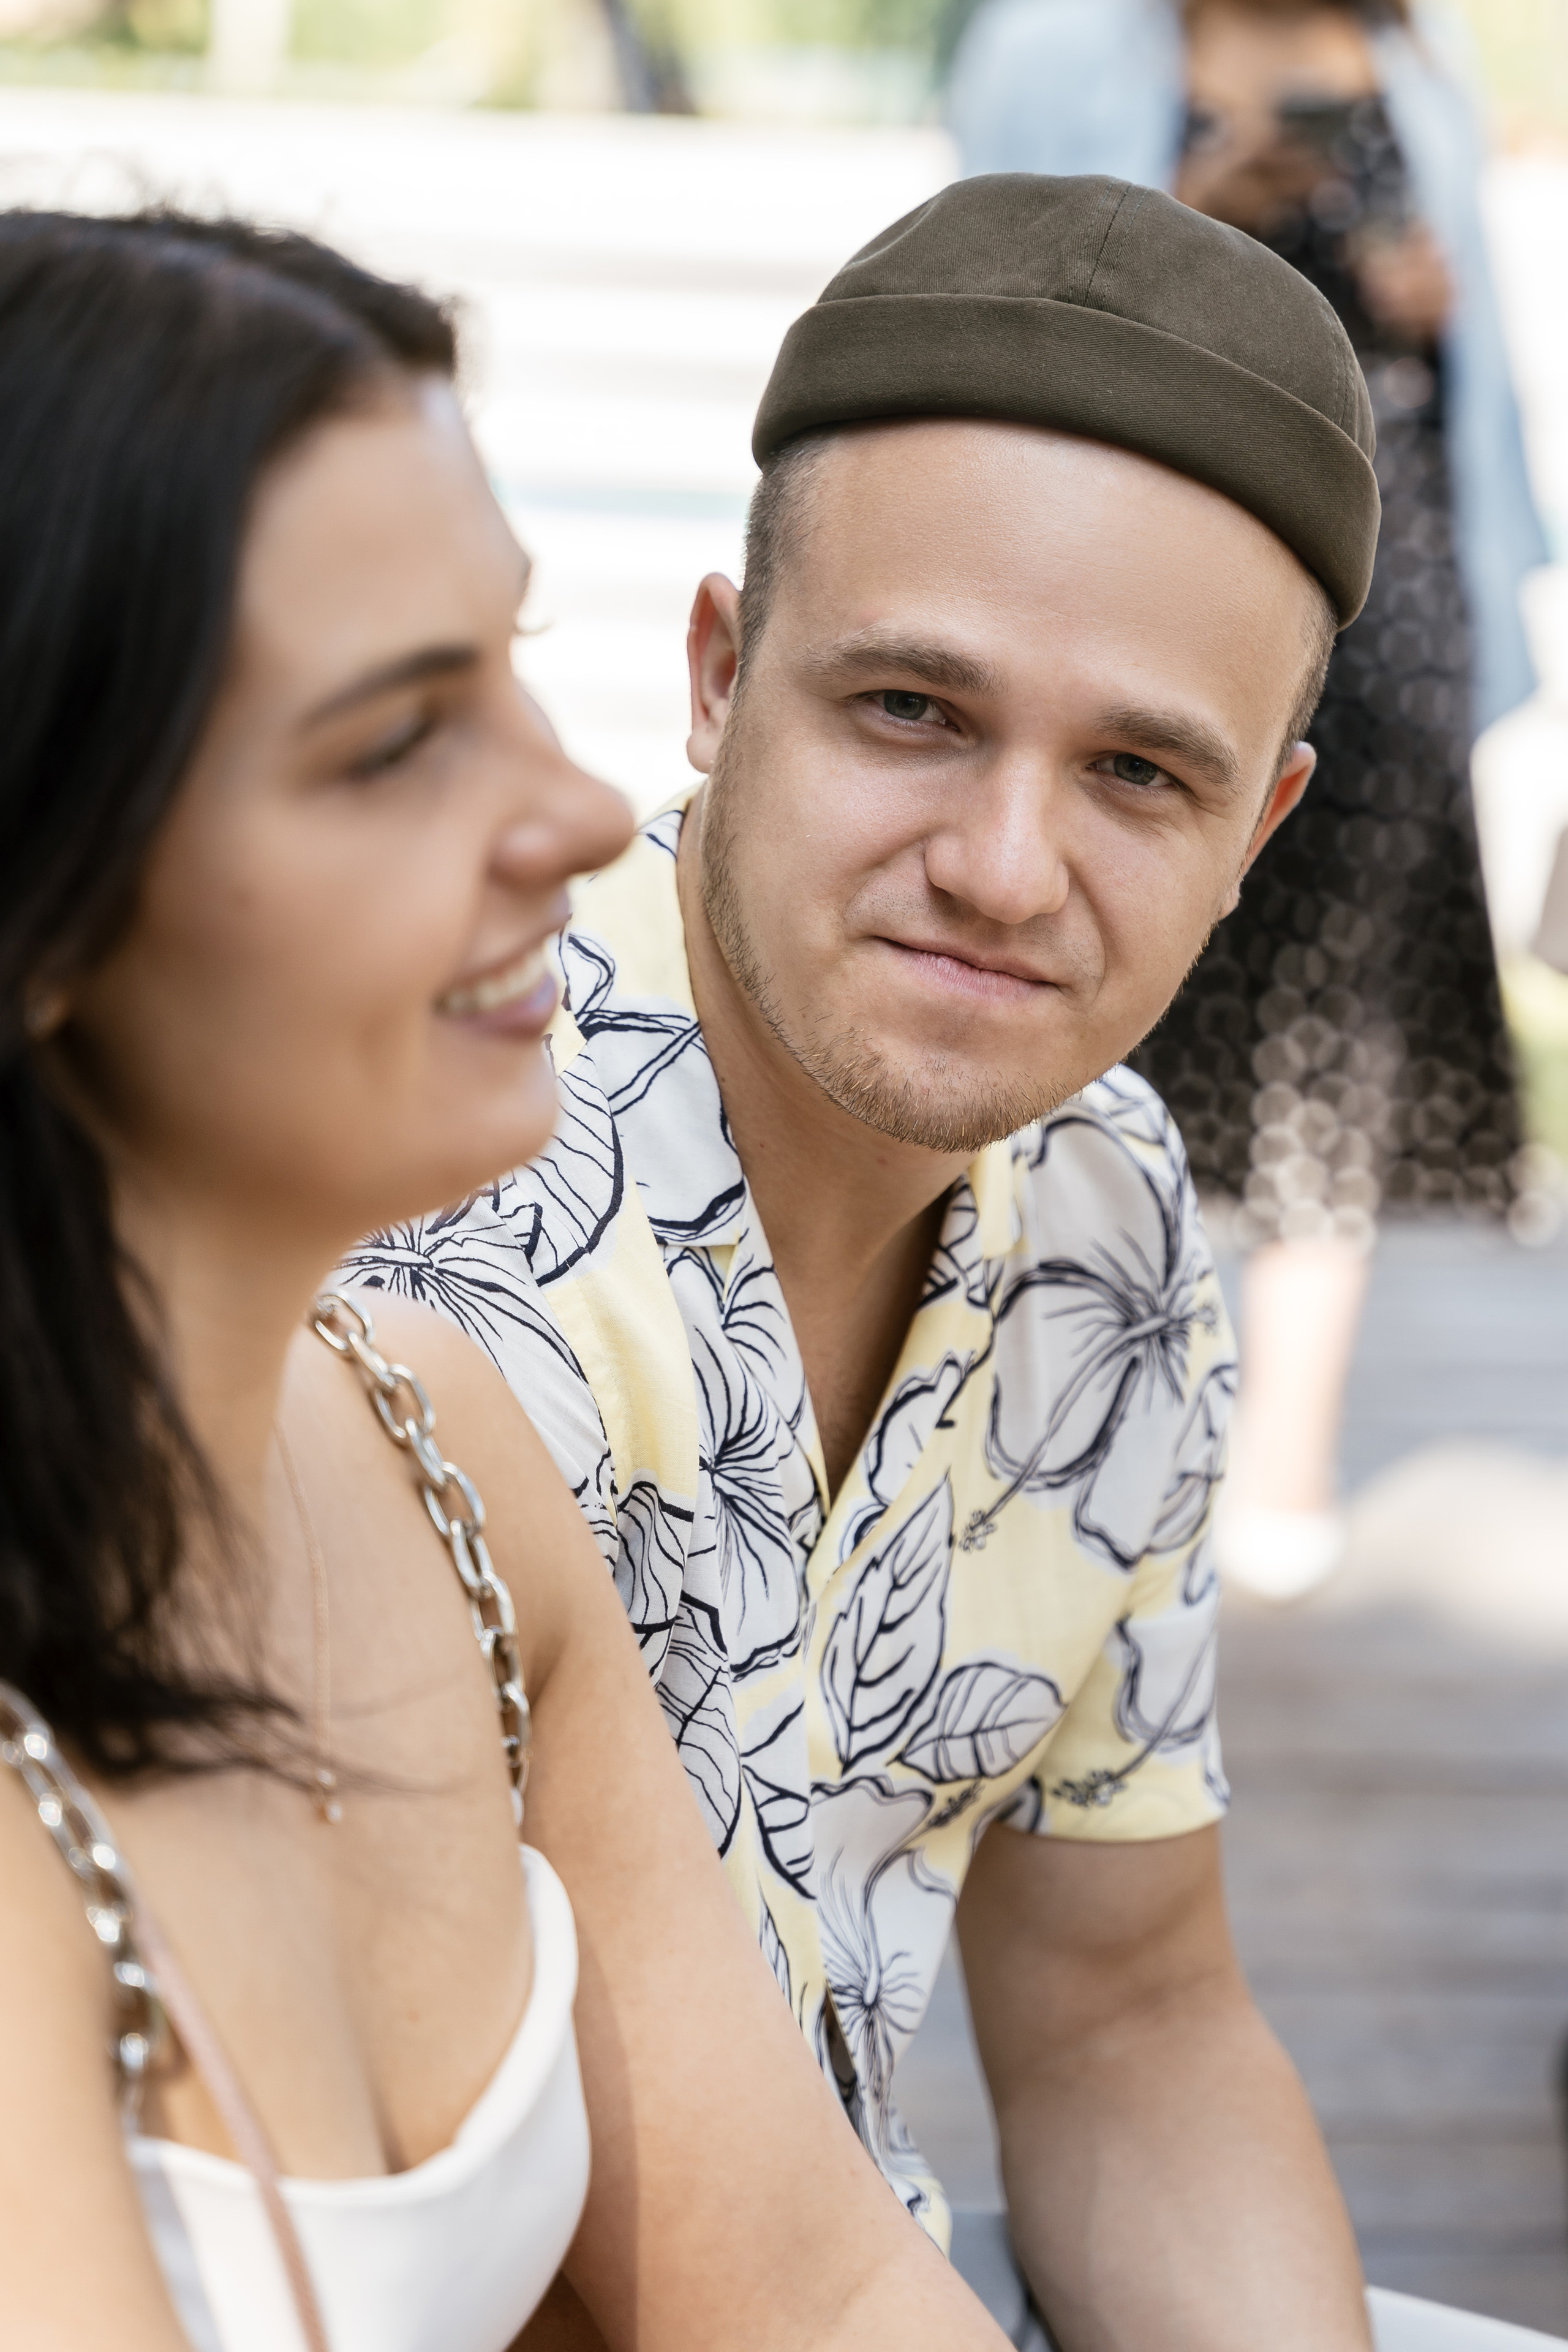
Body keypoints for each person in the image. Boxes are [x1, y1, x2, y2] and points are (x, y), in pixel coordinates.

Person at [347, 173, 1378, 2350]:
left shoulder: (1112, 1220)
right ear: (721, 678)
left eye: (1135, 773)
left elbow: (1132, 2025)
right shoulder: (400, 1204)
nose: (1006, 869)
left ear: (1256, 836)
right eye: (911, 708)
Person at [0, 208, 1016, 2352]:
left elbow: (818, 2293)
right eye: (394, 741)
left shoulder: (427, 1440)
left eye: (515, 668)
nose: (573, 807)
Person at [948, 0, 1548, 1599]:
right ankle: (1031, 1407)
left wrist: (1432, 299)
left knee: (1336, 1038)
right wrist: (1196, 213)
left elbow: (1465, 361)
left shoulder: (1418, 64)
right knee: (1085, 974)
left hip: (1388, 600)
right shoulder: (1062, 54)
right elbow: (979, 299)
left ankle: (1280, 1464)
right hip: (1124, 583)